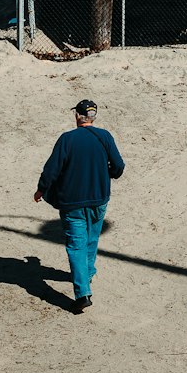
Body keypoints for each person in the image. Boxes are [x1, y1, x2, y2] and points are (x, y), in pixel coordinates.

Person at [33, 99, 125, 314]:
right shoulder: (105, 136)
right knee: (92, 238)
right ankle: (89, 271)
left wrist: (40, 189)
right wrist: (106, 174)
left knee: (76, 245)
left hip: (72, 201)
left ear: (77, 115)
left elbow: (52, 169)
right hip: (99, 198)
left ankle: (82, 293)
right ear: (93, 116)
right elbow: (119, 167)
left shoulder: (67, 139)